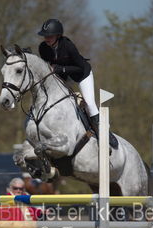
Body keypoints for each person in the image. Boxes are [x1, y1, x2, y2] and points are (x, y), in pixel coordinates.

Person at [37, 18, 118, 149]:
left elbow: (80, 67)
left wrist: (60, 68)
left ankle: (106, 134)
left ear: (58, 35)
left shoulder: (68, 46)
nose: (46, 38)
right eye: (45, 36)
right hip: (62, 76)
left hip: (81, 74)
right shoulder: (43, 48)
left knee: (90, 103)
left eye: (50, 36)